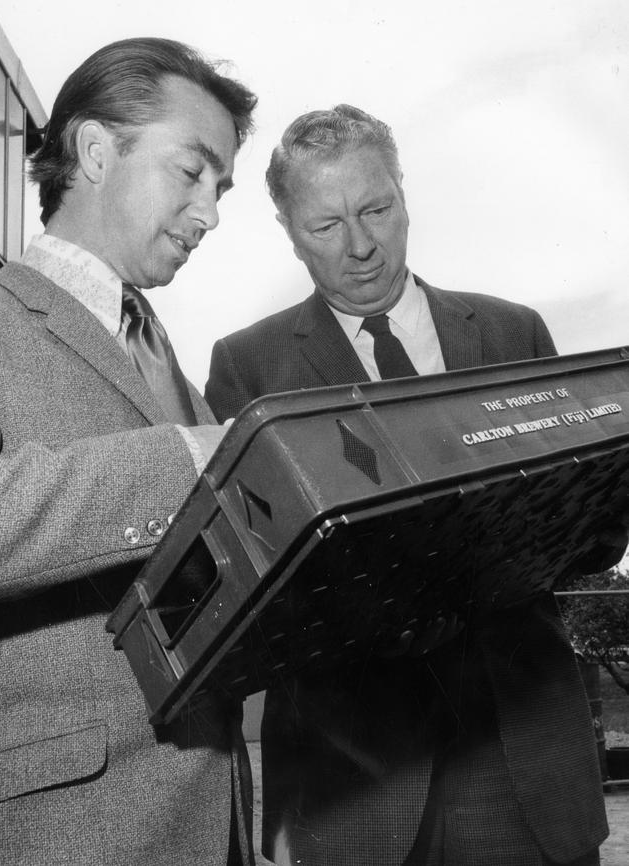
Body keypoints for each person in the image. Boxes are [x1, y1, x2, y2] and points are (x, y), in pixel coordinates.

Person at [205, 106, 612, 866]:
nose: (360, 247)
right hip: (354, 784)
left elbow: (592, 537)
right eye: (325, 226)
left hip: (523, 762)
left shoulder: (513, 333)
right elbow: (249, 578)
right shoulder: (247, 368)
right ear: (287, 230)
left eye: (376, 210)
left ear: (404, 195)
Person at [0, 38, 257, 866]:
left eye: (222, 189)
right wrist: (186, 460)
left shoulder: (166, 354)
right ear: (96, 151)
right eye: (191, 172)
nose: (209, 213)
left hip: (216, 823)